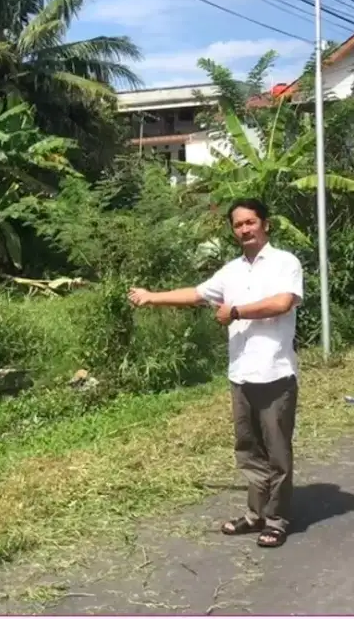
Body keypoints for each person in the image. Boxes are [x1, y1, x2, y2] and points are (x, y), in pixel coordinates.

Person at [128, 198, 303, 548]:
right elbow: (196, 294)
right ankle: (256, 514)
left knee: (277, 452)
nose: (245, 229)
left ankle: (276, 519)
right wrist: (152, 297)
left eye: (251, 222)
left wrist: (235, 312)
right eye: (238, 225)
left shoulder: (285, 263)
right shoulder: (231, 271)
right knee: (249, 450)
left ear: (265, 224)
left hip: (275, 373)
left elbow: (283, 303)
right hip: (241, 374)